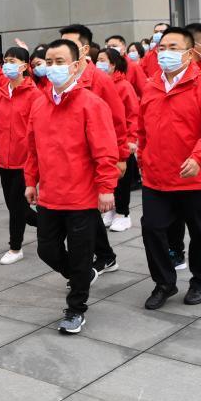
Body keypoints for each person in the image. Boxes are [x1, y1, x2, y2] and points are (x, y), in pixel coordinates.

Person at [25, 39, 119, 334]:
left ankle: (76, 307)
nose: (53, 67)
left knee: (80, 253)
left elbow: (105, 151)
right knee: (46, 250)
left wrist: (106, 187)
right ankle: (81, 275)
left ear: (76, 65)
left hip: (81, 197)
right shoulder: (39, 104)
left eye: (60, 62)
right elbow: (32, 149)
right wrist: (30, 181)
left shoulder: (92, 104)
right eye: (48, 62)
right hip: (50, 195)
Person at [137, 28, 201, 309]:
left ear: (189, 53)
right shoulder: (151, 86)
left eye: (173, 47)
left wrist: (199, 157)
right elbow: (142, 130)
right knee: (152, 229)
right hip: (156, 176)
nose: (165, 53)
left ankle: (200, 281)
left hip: (193, 175)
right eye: (162, 47)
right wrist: (142, 159)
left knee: (200, 232)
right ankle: (164, 283)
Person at [59, 25, 125, 275]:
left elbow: (117, 120)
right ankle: (106, 256)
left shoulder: (99, 79)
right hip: (67, 159)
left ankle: (92, 265)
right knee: (86, 212)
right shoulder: (61, 78)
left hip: (92, 158)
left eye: (70, 44)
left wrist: (121, 157)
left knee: (85, 212)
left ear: (84, 49)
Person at [0, 46, 40, 264]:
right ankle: (51, 226)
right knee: (17, 207)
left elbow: (39, 131)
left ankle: (15, 247)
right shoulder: (0, 94)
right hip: (5, 162)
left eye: (13, 61)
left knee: (17, 208)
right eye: (6, 61)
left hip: (25, 161)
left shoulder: (34, 95)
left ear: (24, 66)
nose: (7, 65)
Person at [97, 48, 139, 232]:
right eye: (97, 60)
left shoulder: (124, 86)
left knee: (122, 179)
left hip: (121, 141)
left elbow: (132, 114)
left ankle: (123, 213)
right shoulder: (100, 83)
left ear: (113, 64)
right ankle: (112, 210)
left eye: (102, 60)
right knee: (109, 178)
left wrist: (131, 138)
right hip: (105, 140)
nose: (98, 63)